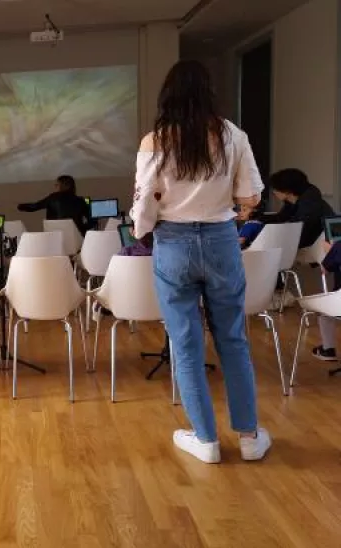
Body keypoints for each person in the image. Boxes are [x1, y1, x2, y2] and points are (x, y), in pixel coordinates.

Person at [131, 60, 270, 464]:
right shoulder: (233, 135)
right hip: (221, 240)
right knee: (233, 339)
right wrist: (231, 210)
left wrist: (146, 227)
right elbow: (252, 197)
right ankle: (248, 436)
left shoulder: (154, 140)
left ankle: (205, 440)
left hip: (172, 243)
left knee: (186, 343)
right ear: (209, 92)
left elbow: (142, 207)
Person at [261, 168, 334, 248]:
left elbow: (299, 235)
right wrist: (257, 218)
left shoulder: (309, 205)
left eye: (275, 188)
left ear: (287, 191)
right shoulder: (294, 200)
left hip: (319, 248)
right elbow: (281, 217)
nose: (273, 192)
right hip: (308, 243)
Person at [17, 175, 92, 236]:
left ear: (64, 186)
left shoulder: (52, 198)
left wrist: (20, 206)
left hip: (54, 236)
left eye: (57, 185)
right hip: (76, 237)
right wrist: (83, 230)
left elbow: (34, 207)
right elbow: (90, 219)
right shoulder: (81, 200)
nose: (55, 187)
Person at [311, 240, 341, 361]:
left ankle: (328, 349)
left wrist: (330, 251)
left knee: (323, 307)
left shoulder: (339, 246)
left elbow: (324, 270)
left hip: (338, 303)